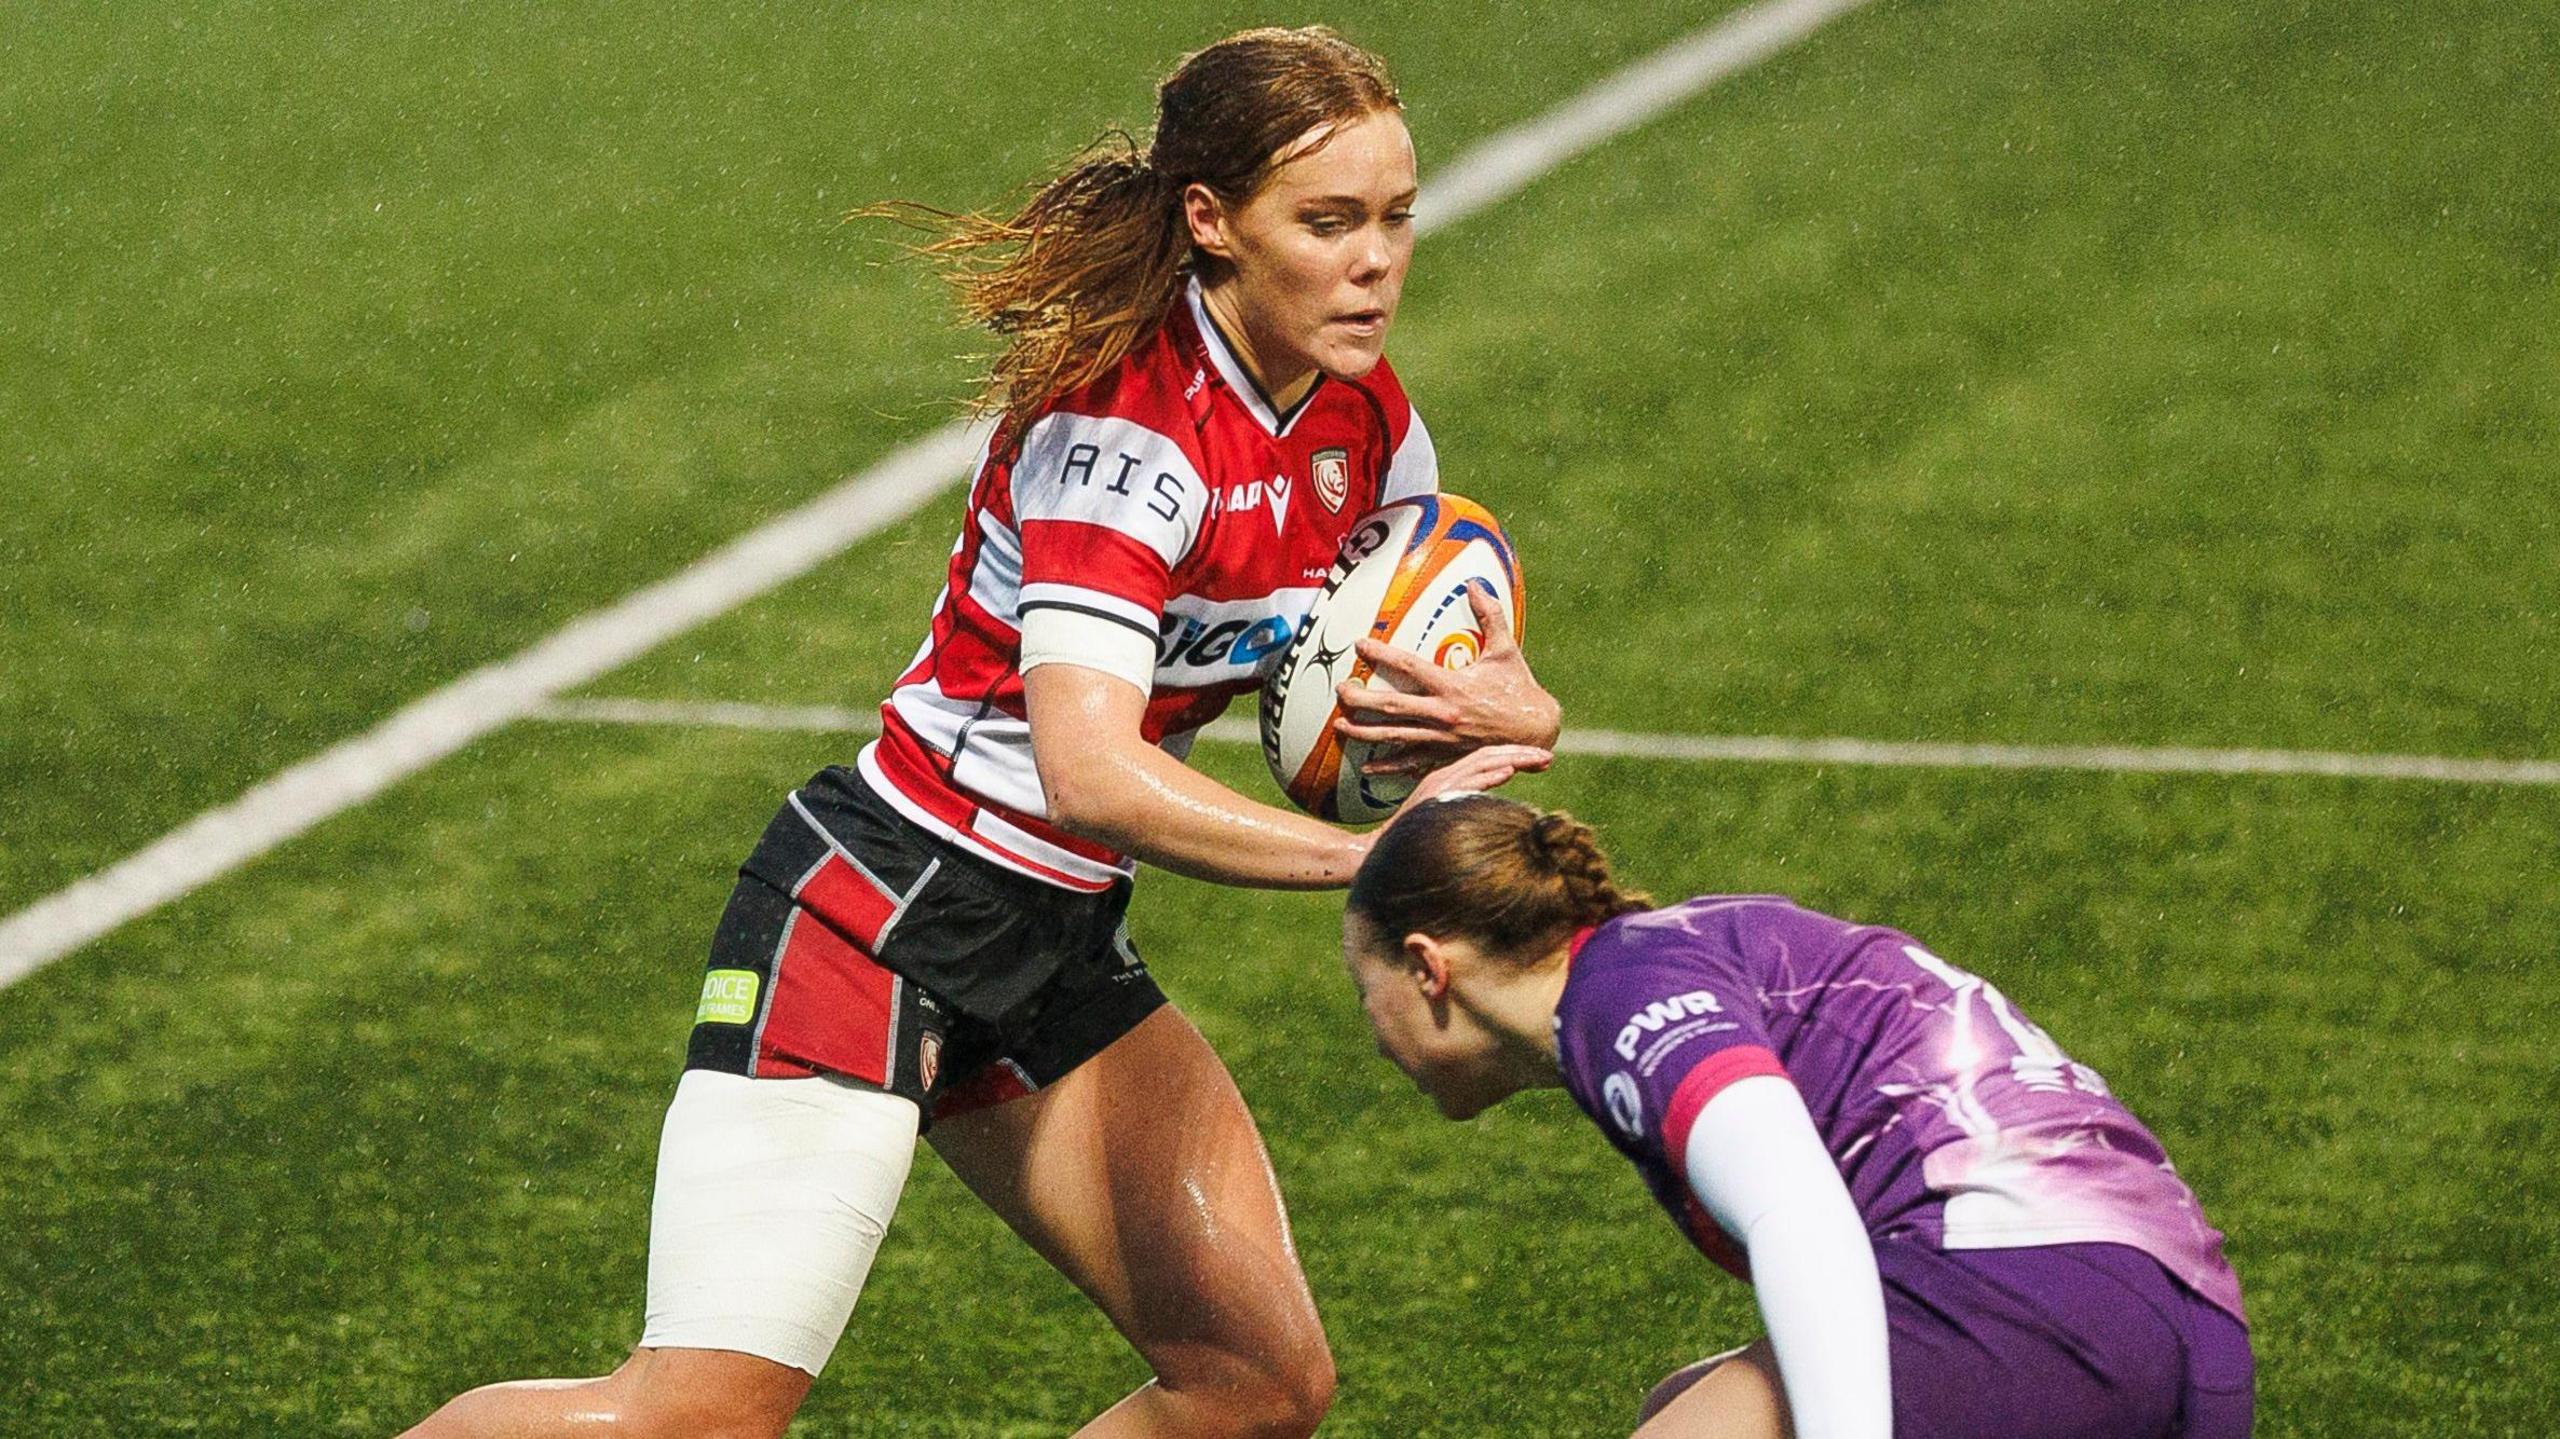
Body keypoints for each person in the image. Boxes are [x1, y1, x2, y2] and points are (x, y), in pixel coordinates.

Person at [400, 25, 1561, 1439]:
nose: (1377, 259)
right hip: (878, 917)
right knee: (691, 1417)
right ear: (1211, 221)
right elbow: (1088, 766)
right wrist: (1364, 860)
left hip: (1056, 943)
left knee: (1256, 1385)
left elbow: (1410, 667)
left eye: (1395, 216)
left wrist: (1516, 705)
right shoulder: (1125, 428)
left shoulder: (1365, 422)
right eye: (1327, 222)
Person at [1341, 794, 2254, 1439]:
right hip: (2186, 1327)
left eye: (1362, 986)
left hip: (2031, 1303)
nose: (1370, 1032)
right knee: (1686, 1402)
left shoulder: (1618, 1000)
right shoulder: (1672, 952)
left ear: (1429, 967)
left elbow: (1799, 1214)